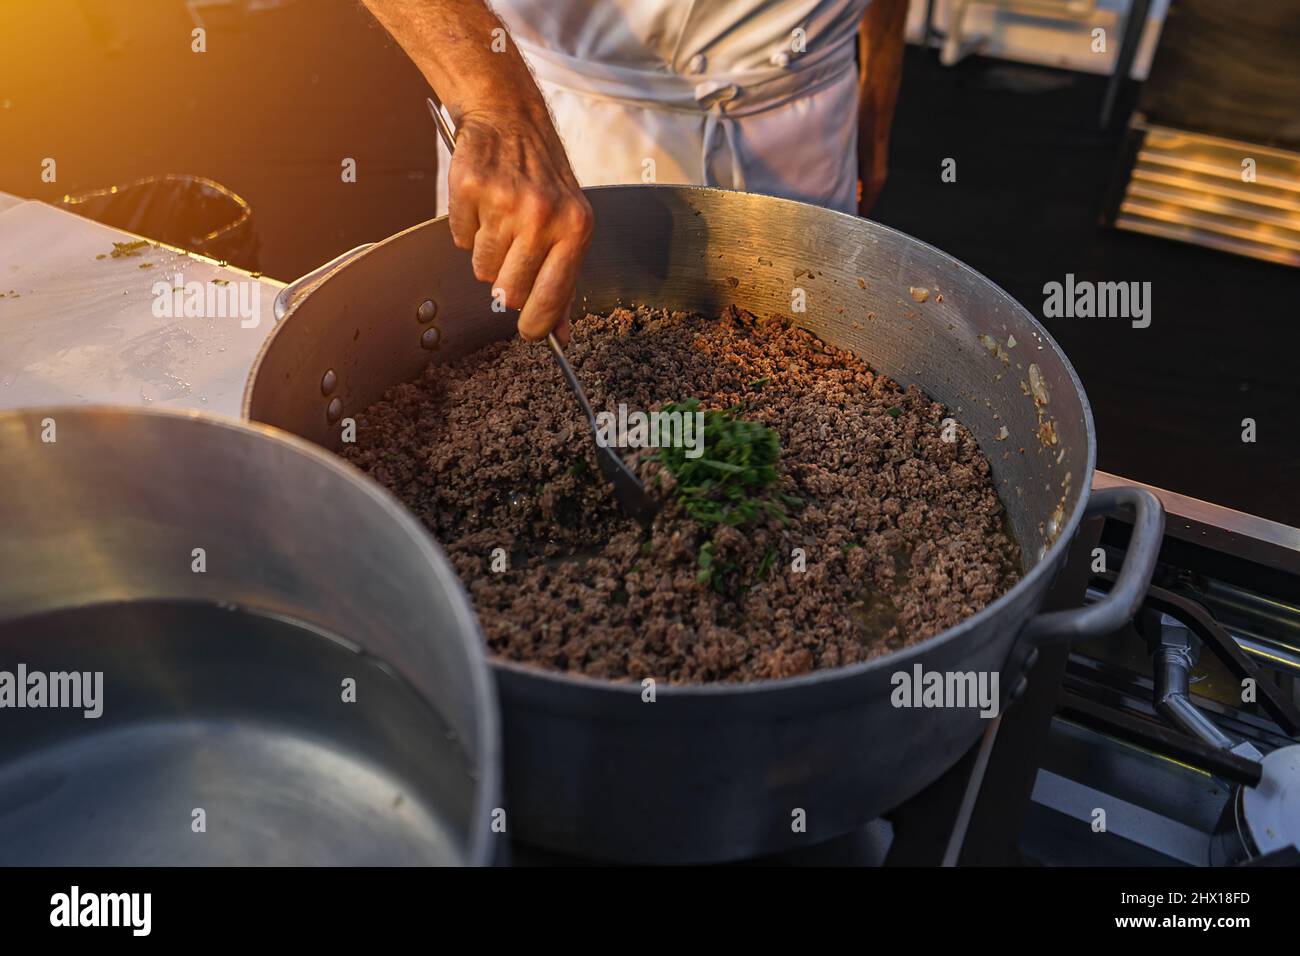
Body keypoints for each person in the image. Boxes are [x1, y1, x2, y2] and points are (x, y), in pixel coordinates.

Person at [360, 0, 907, 344]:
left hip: (802, 121)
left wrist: (877, 107)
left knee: (818, 344)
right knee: (510, 349)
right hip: (553, 112)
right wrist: (498, 106)